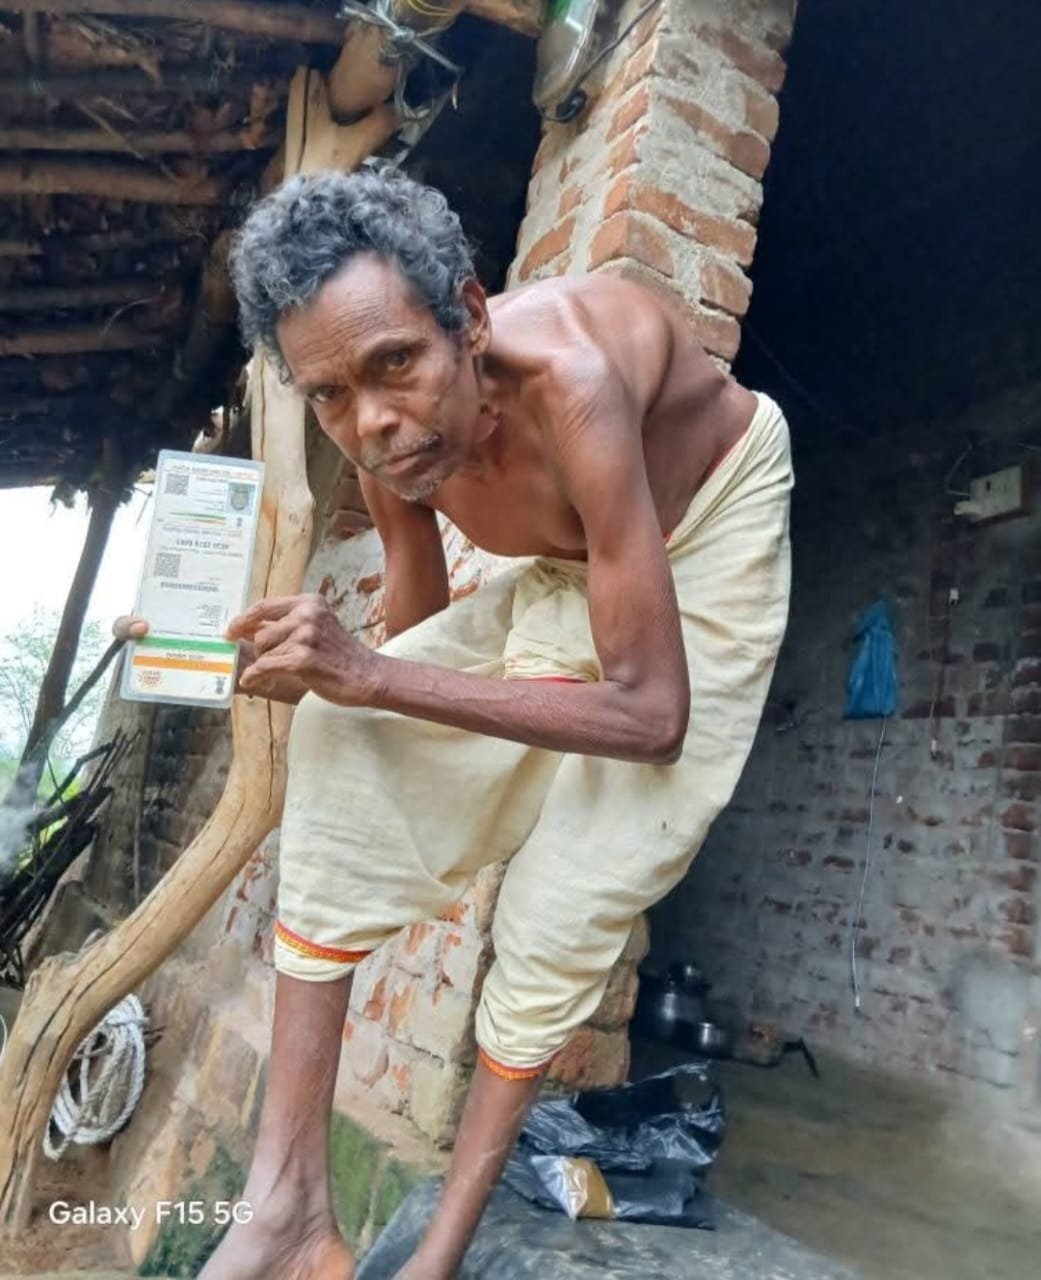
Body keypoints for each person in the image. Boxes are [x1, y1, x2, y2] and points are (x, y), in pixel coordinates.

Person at [117, 163, 793, 1280]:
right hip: (580, 562)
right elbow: (405, 659)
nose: (372, 419)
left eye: (397, 363)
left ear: (470, 318)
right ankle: (289, 1207)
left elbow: (652, 715)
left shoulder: (573, 383)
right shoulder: (386, 441)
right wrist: (271, 664)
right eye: (329, 394)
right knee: (343, 735)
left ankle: (439, 1254)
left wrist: (367, 676)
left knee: (570, 891)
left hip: (705, 536)